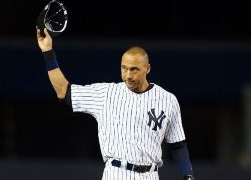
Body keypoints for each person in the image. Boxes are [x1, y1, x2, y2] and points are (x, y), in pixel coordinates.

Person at [36, 28, 195, 180]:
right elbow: (63, 91)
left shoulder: (168, 100)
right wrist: (47, 51)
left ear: (148, 68)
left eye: (134, 69)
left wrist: (188, 174)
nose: (128, 75)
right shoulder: (106, 94)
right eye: (124, 68)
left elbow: (178, 144)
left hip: (150, 174)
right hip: (117, 173)